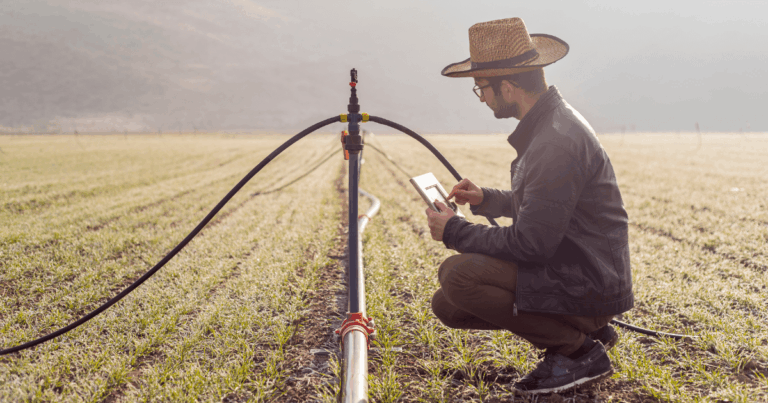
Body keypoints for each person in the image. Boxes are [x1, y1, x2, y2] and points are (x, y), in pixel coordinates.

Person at [425, 17, 633, 395]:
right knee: (448, 304)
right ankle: (586, 329)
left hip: (586, 281)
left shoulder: (555, 141)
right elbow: (549, 204)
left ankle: (578, 350)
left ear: (508, 86)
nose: (482, 97)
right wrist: (487, 198)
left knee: (459, 277)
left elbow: (531, 245)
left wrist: (455, 231)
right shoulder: (552, 125)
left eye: (481, 88)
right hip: (579, 270)